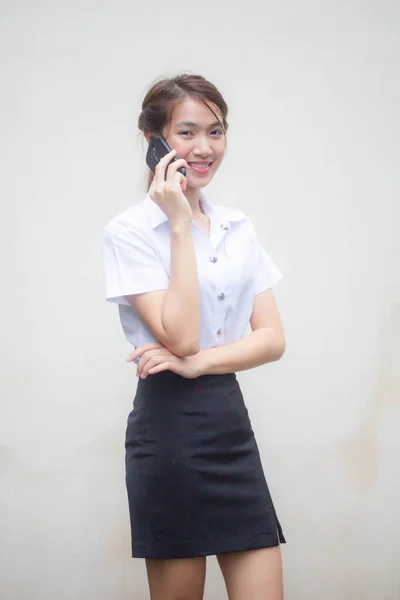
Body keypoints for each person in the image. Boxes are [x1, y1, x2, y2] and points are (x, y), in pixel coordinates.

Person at [102, 73, 286, 600]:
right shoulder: (130, 232)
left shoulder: (237, 227)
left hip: (228, 425)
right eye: (186, 133)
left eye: (216, 130)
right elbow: (179, 336)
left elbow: (272, 338)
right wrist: (179, 224)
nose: (204, 148)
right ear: (154, 142)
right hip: (169, 432)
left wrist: (200, 364)